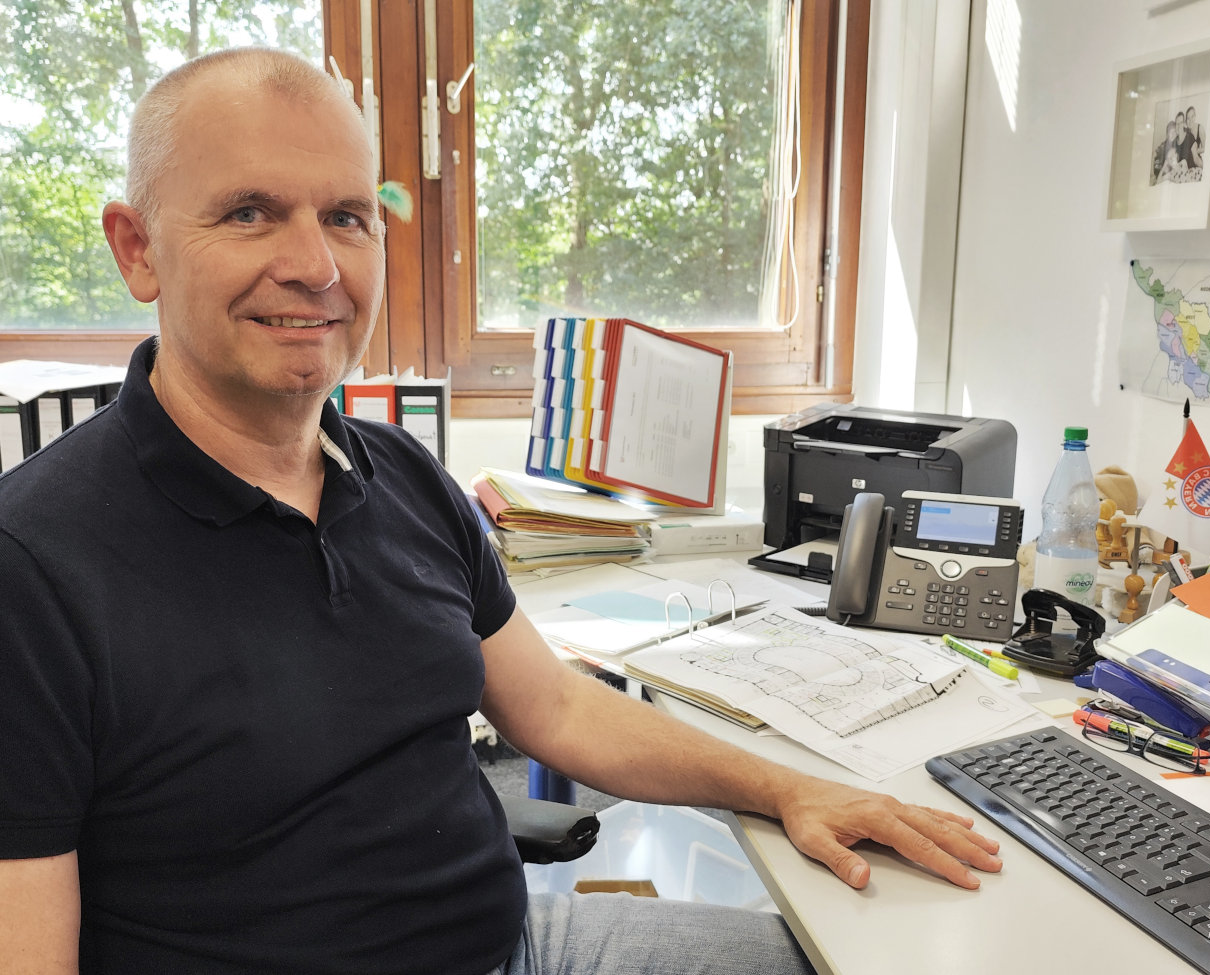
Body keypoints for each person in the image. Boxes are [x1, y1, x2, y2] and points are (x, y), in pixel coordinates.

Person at [0, 48, 1002, 975]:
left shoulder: (401, 477)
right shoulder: (34, 564)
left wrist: (791, 789)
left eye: (347, 216)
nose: (316, 266)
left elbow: (558, 709)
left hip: (518, 943)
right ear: (137, 251)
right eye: (252, 212)